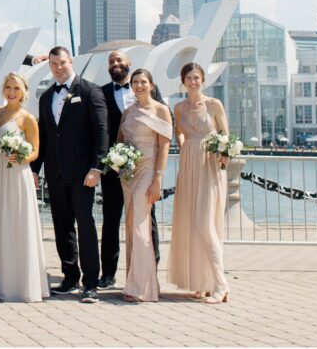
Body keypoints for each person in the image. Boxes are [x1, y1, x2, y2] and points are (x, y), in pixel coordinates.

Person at [30, 46, 107, 303]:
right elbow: (44, 136)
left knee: (85, 226)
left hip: (84, 173)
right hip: (56, 172)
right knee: (62, 227)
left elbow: (101, 132)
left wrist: (97, 167)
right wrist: (34, 169)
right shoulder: (46, 96)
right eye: (53, 64)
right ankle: (69, 276)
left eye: (61, 62)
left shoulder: (89, 90)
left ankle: (91, 283)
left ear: (70, 61)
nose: (58, 68)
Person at [98, 49, 164, 289]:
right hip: (114, 165)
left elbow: (165, 127)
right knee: (111, 217)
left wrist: (157, 165)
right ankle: (108, 273)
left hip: (145, 166)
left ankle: (150, 269)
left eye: (119, 60)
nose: (115, 63)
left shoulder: (152, 92)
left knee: (148, 218)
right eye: (111, 61)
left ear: (129, 63)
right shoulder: (101, 92)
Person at [0, 73, 49, 302]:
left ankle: (20, 285)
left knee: (16, 223)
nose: (11, 91)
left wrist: (21, 157)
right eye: (8, 87)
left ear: (24, 92)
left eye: (16, 88)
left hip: (16, 175)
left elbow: (35, 151)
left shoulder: (27, 118)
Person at [167, 63, 230, 304]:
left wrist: (224, 153)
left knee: (206, 225)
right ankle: (202, 282)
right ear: (183, 81)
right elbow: (180, 131)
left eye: (196, 78)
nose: (192, 82)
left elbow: (225, 134)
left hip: (209, 164)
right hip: (189, 163)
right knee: (192, 224)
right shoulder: (179, 107)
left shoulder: (214, 104)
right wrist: (183, 145)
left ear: (203, 79)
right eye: (188, 78)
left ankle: (220, 284)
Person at [118, 68, 172, 303]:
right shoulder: (128, 111)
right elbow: (120, 141)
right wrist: (118, 160)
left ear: (151, 84)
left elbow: (165, 146)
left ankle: (143, 288)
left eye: (143, 82)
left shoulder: (161, 110)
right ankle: (141, 282)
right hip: (128, 174)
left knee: (138, 225)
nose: (138, 85)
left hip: (148, 172)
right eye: (135, 82)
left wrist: (158, 179)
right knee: (130, 228)